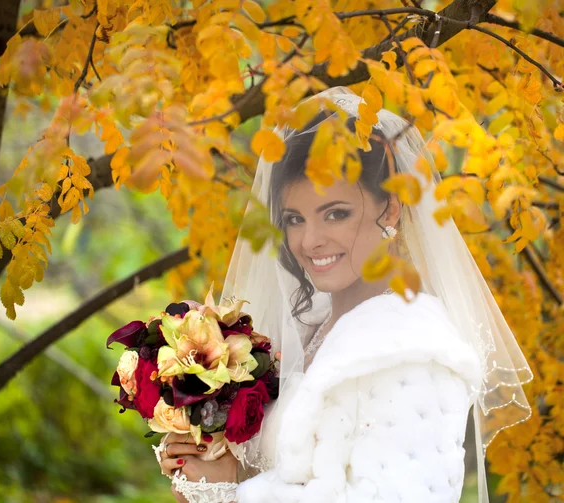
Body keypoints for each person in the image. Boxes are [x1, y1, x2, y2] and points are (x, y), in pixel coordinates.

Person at [156, 87, 533, 503]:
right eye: (295, 219)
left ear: (389, 209)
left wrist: (231, 493)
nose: (311, 240)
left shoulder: (415, 351)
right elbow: (298, 471)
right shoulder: (300, 336)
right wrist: (206, 462)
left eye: (336, 213)